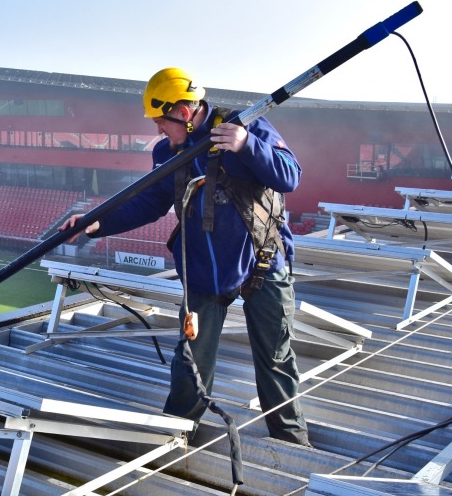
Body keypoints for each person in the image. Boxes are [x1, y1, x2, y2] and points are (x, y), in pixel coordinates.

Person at [63, 67, 311, 447]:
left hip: (262, 262)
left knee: (276, 358)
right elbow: (150, 202)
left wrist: (247, 144)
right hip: (204, 270)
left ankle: (293, 442)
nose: (158, 130)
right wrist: (99, 222)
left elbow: (290, 176)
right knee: (190, 361)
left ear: (182, 112)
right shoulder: (167, 153)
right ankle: (176, 435)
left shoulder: (243, 126)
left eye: (161, 121)